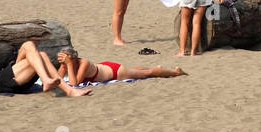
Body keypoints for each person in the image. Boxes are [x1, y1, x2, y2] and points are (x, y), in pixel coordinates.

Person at [0, 35, 92, 97]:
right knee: (31, 46)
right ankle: (53, 84)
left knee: (37, 51)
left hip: (6, 79)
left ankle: (66, 89)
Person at [56, 49, 186, 84]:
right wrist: (63, 66)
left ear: (72, 59)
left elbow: (74, 82)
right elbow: (57, 79)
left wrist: (68, 64)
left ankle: (176, 72)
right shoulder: (68, 64)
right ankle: (158, 68)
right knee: (134, 70)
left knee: (148, 73)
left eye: (66, 59)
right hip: (105, 66)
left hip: (116, 72)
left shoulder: (83, 63)